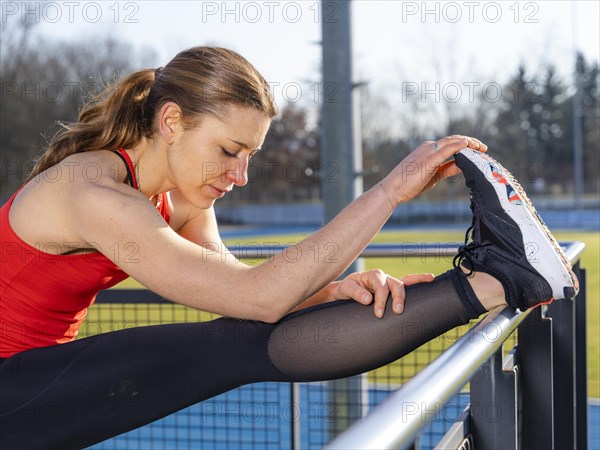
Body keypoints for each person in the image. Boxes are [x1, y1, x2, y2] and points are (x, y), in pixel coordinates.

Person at [0, 47, 578, 449]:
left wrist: (330, 289)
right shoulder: (90, 191)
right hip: (12, 384)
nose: (241, 175)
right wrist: (390, 190)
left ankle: (498, 278)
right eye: (229, 150)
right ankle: (500, 277)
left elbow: (237, 292)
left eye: (249, 155)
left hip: (31, 382)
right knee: (226, 346)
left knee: (238, 338)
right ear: (171, 120)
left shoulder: (182, 197)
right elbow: (257, 299)